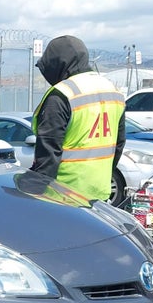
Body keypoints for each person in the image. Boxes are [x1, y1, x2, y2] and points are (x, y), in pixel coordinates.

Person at [31, 35, 126, 203]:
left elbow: (49, 154)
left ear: (57, 64)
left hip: (62, 195)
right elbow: (118, 144)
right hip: (100, 194)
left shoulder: (62, 94)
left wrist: (36, 195)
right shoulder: (112, 90)